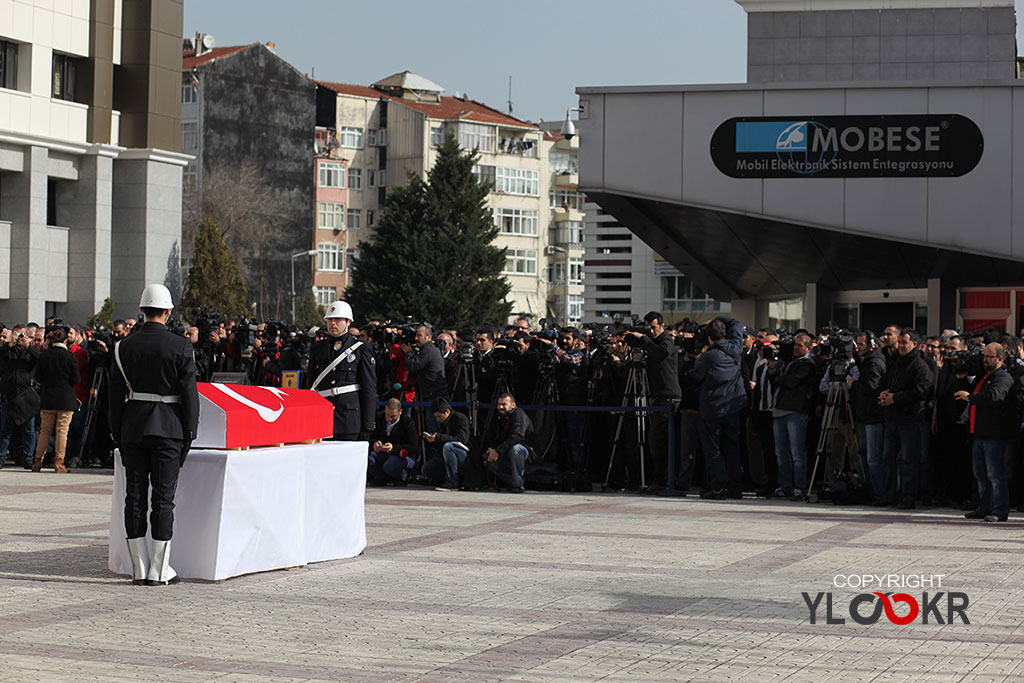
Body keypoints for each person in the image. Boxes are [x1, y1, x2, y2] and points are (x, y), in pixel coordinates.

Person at [109, 284, 200, 586]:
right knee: (164, 499)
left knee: (134, 496)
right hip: (169, 429)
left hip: (133, 426)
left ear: (141, 310)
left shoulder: (123, 346)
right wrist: (190, 431)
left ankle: (139, 566)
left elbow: (114, 396)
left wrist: (116, 430)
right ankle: (159, 570)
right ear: (168, 311)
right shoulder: (181, 346)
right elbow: (189, 394)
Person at [957, 343, 1015, 522]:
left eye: (989, 357)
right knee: (980, 474)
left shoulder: (1003, 377)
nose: (985, 360)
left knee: (995, 475)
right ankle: (984, 507)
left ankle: (1000, 509)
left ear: (1000, 358)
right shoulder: (983, 376)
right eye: (984, 356)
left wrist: (970, 397)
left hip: (994, 434)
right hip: (979, 433)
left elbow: (995, 397)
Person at [624, 312, 681, 492]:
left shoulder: (666, 340)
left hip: (668, 397)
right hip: (657, 396)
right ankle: (657, 478)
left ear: (662, 326)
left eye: (653, 328)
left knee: (659, 440)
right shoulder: (653, 341)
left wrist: (645, 340)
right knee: (655, 440)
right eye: (648, 328)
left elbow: (661, 353)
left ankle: (663, 480)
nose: (651, 331)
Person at [690, 316, 746, 499]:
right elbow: (736, 323)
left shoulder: (708, 356)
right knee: (732, 448)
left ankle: (718, 486)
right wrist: (717, 319)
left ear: (709, 338)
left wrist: (698, 358)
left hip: (713, 408)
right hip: (733, 406)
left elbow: (695, 376)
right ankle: (735, 487)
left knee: (713, 449)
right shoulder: (736, 348)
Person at [306, 300, 376, 441]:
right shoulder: (317, 348)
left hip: (349, 421)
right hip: (321, 418)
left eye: (338, 319)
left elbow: (369, 390)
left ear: (348, 321)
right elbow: (310, 384)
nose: (333, 323)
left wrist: (367, 427)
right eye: (330, 319)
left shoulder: (361, 348)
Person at [878, 329, 932, 509]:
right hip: (892, 418)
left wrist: (896, 398)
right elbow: (887, 382)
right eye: (899, 342)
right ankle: (889, 495)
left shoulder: (919, 365)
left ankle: (908, 498)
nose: (901, 346)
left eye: (904, 342)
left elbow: (921, 391)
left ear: (914, 344)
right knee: (888, 460)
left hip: (910, 419)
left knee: (908, 461)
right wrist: (885, 393)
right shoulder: (895, 363)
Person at [766, 333, 818, 500]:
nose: (796, 348)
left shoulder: (808, 364)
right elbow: (774, 380)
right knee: (781, 452)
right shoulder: (789, 362)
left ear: (809, 348)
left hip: (795, 411)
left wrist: (781, 378)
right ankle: (784, 485)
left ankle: (799, 487)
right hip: (779, 410)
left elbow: (791, 382)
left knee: (797, 453)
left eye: (800, 346)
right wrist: (775, 370)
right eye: (795, 345)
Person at [31, 325, 80, 473]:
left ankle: (37, 461)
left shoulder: (44, 355)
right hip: (65, 397)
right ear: (65, 340)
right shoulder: (70, 356)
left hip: (48, 397)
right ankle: (59, 463)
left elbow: (38, 377)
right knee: (62, 431)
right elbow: (76, 379)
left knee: (45, 431)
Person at [481, 392, 537, 493]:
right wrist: (493, 450)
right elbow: (498, 437)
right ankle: (511, 480)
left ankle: (518, 485)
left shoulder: (519, 415)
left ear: (513, 405)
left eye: (504, 404)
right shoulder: (501, 417)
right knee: (488, 461)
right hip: (506, 451)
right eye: (499, 404)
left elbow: (517, 436)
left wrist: (498, 450)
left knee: (516, 449)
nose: (500, 407)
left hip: (525, 451)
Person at [422, 397, 471, 489]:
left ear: (447, 412)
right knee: (426, 469)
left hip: (464, 455)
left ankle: (452, 482)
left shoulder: (460, 419)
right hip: (447, 457)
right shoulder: (444, 423)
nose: (437, 419)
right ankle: (448, 479)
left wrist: (439, 437)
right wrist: (433, 440)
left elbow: (461, 439)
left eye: (439, 416)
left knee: (448, 447)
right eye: (436, 417)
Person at [367, 398, 417, 485]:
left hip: (401, 455)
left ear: (400, 411)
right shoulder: (379, 417)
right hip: (383, 453)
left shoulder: (408, 423)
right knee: (370, 459)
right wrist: (375, 444)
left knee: (390, 465)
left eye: (393, 416)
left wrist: (394, 448)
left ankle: (402, 476)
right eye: (387, 415)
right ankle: (381, 477)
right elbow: (372, 436)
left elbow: (413, 447)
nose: (389, 418)